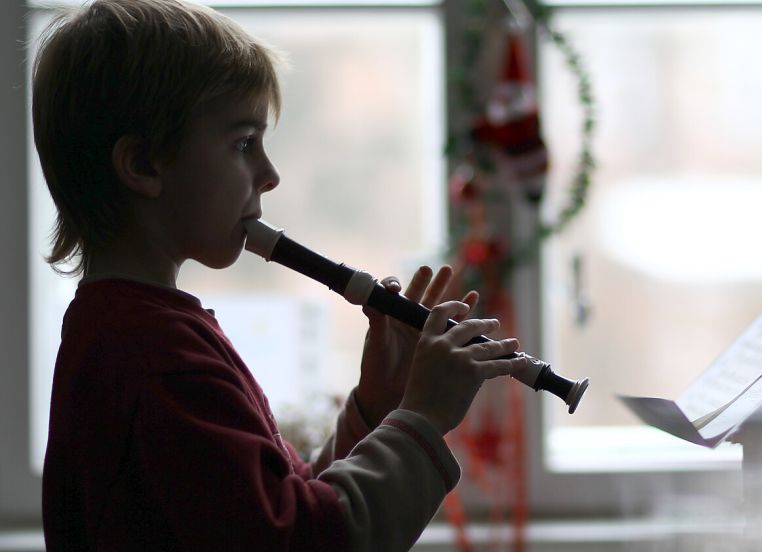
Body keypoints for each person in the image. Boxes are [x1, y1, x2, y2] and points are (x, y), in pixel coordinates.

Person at [32, 1, 529, 550]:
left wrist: (376, 405)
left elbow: (276, 508)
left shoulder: (136, 332)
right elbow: (301, 540)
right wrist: (424, 415)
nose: (268, 175)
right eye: (244, 143)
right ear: (144, 165)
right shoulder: (155, 359)